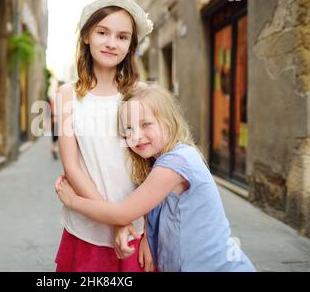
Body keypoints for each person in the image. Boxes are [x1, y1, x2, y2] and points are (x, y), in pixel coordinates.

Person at [56, 84, 256, 272]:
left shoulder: (176, 162)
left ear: (169, 122)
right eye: (128, 129)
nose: (137, 135)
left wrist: (73, 200)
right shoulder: (158, 162)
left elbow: (122, 213)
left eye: (146, 124)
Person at [54, 0, 155, 272]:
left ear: (130, 46)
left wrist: (144, 228)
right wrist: (116, 221)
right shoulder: (67, 95)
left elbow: (153, 168)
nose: (111, 43)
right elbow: (72, 167)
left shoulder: (140, 94)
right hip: (88, 227)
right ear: (87, 36)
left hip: (138, 229)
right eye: (102, 32)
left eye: (122, 37)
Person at [50, 80, 65, 160]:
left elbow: (52, 107)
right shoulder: (64, 95)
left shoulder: (53, 95)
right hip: (60, 118)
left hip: (56, 118)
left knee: (55, 135)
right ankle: (55, 149)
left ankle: (54, 148)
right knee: (59, 135)